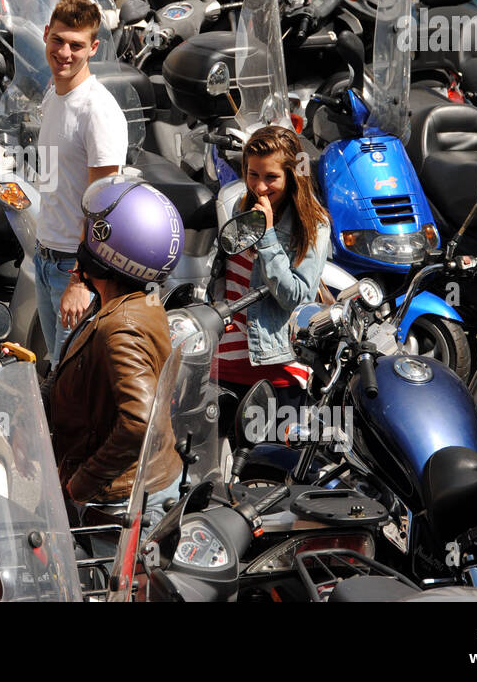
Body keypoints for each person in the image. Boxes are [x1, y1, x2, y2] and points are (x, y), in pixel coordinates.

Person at [46, 177, 183, 530]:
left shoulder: (121, 326)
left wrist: (82, 483)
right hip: (141, 486)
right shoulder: (141, 301)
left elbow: (139, 422)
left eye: (90, 231)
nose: (82, 237)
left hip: (119, 501)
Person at [212, 125, 330, 425]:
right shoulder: (244, 206)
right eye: (253, 174)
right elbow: (228, 276)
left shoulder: (313, 225)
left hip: (278, 367)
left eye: (271, 177)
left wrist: (266, 236)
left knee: (270, 465)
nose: (260, 186)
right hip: (227, 360)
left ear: (292, 175)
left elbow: (296, 297)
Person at [33, 0, 128, 363]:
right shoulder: (53, 95)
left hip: (73, 267)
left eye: (76, 45)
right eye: (58, 40)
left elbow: (104, 209)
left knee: (68, 386)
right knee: (57, 376)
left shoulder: (97, 110)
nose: (64, 53)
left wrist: (80, 280)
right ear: (45, 34)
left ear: (94, 48)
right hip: (45, 256)